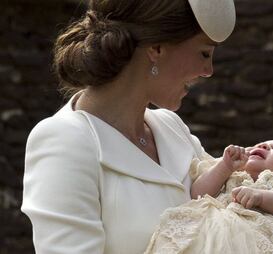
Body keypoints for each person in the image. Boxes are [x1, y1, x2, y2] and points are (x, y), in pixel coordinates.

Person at [21, 0, 236, 253]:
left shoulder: (171, 127)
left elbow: (231, 220)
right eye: (204, 53)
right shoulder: (64, 141)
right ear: (156, 48)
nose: (208, 71)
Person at [145, 140, 273, 254]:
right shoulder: (230, 175)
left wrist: (261, 197)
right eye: (260, 144)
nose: (265, 146)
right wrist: (224, 166)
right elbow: (196, 193)